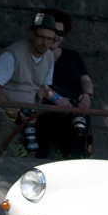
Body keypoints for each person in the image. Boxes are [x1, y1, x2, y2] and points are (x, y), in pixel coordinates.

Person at [0, 12, 58, 156]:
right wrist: (10, 109)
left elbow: (42, 88)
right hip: (0, 113)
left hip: (27, 115)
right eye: (41, 37)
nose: (45, 43)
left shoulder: (48, 57)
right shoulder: (13, 54)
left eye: (49, 39)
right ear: (32, 34)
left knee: (29, 156)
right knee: (5, 154)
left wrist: (58, 100)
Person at [34, 8, 94, 158]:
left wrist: (87, 95)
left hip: (72, 113)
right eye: (53, 32)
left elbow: (85, 79)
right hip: (44, 113)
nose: (56, 37)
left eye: (60, 33)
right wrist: (57, 99)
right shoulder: (35, 55)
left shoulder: (73, 56)